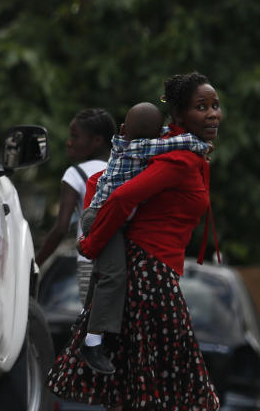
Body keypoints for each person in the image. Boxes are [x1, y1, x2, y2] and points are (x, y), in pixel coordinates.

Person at [48, 72, 222, 411]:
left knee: (165, 379)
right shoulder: (178, 159)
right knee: (175, 380)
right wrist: (90, 243)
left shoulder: (184, 152)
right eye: (202, 106)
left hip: (155, 270)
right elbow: (121, 197)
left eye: (215, 105)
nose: (213, 114)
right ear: (179, 115)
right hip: (149, 274)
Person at [77, 102, 210, 374]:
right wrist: (201, 145)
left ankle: (84, 321)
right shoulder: (136, 147)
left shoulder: (136, 140)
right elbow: (121, 198)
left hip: (112, 219)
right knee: (113, 274)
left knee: (104, 272)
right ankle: (91, 343)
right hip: (102, 217)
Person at [35, 108, 115, 273]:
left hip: (89, 262)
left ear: (97, 140)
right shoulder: (124, 169)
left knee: (91, 300)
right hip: (122, 261)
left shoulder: (76, 174)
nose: (69, 142)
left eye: (75, 136)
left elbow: (61, 228)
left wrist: (35, 264)